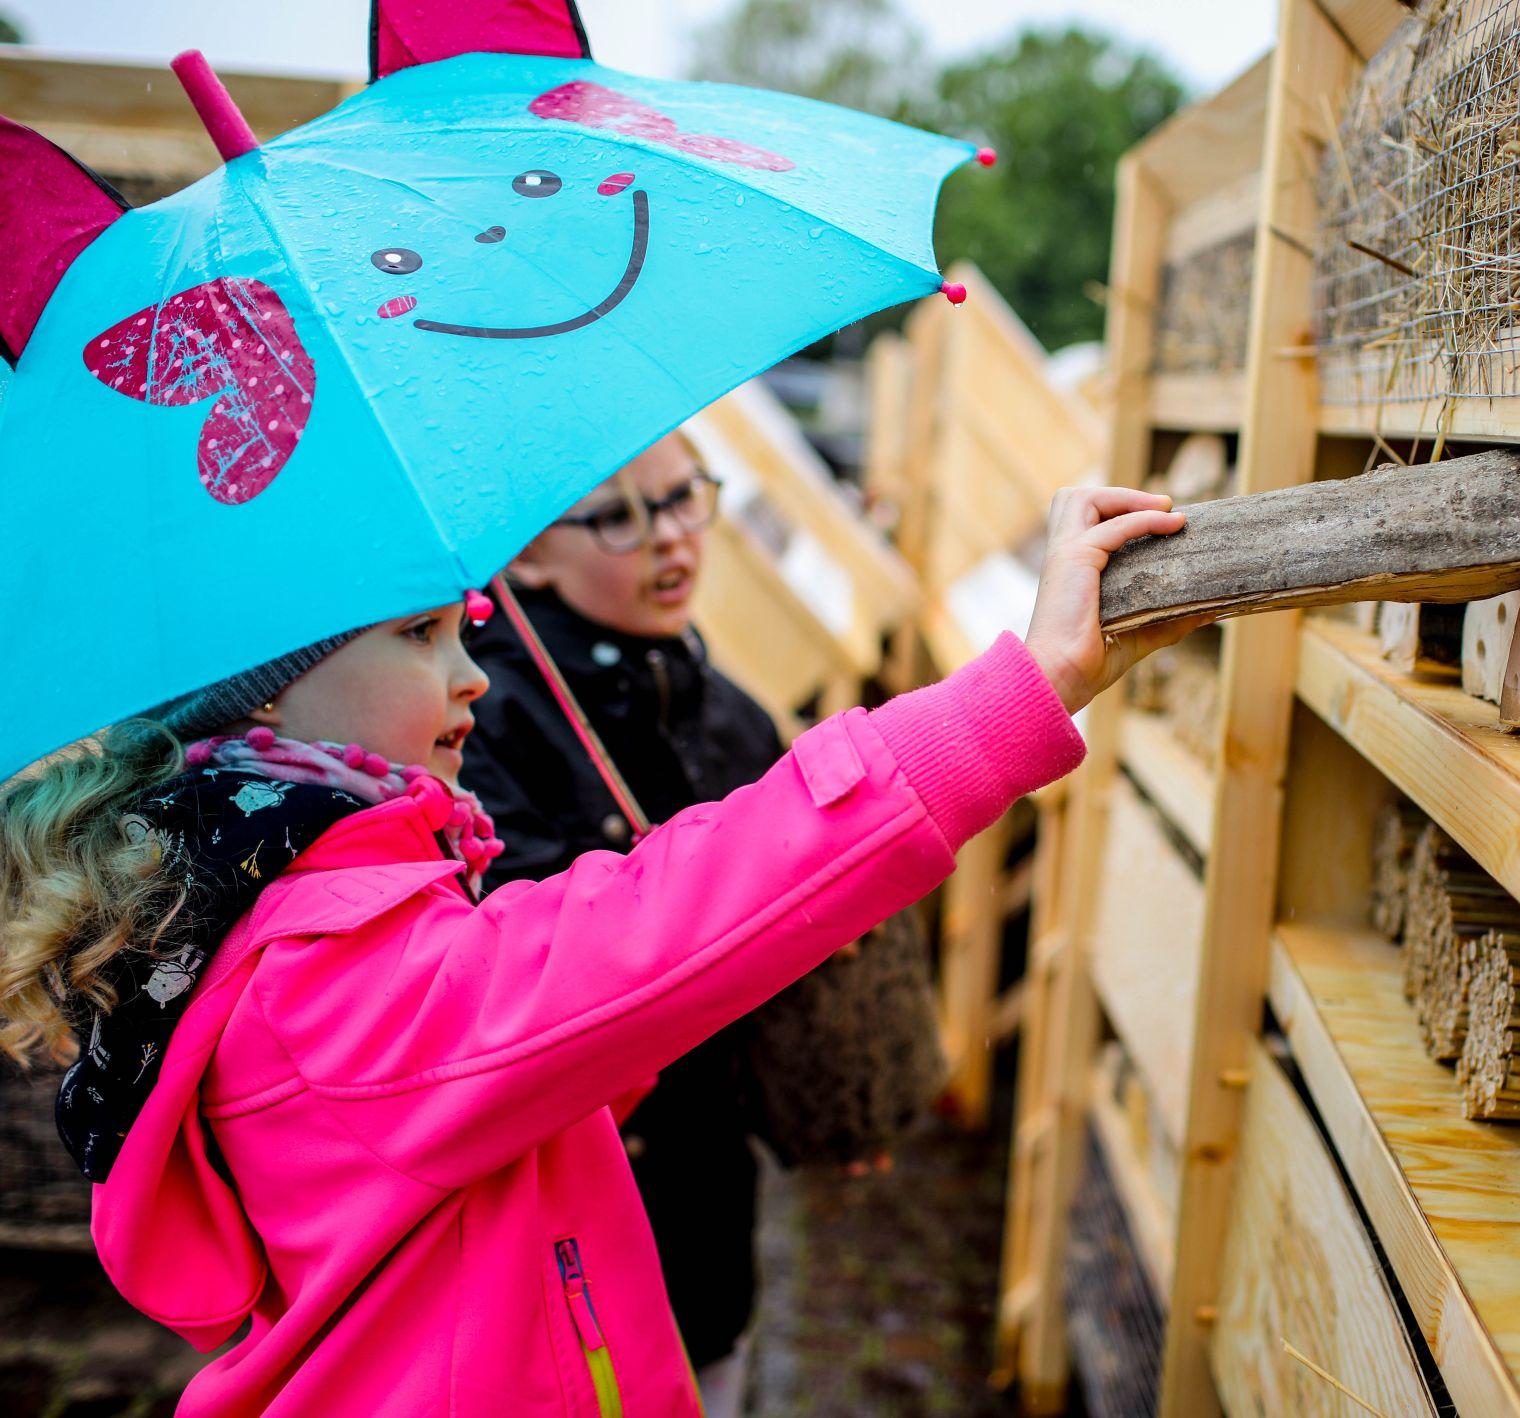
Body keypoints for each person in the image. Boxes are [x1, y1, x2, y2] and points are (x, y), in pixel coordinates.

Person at [0, 485, 1193, 1417]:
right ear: (264, 702)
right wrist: (1023, 691)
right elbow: (672, 915)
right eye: (418, 634)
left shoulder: (281, 912)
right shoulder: (334, 971)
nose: (469, 672)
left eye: (459, 628)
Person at [457, 429, 784, 1413]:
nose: (670, 540)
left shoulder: (729, 709)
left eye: (687, 497)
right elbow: (527, 970)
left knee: (709, 1362)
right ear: (526, 551)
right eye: (615, 517)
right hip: (569, 1222)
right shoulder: (477, 719)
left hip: (705, 1186)